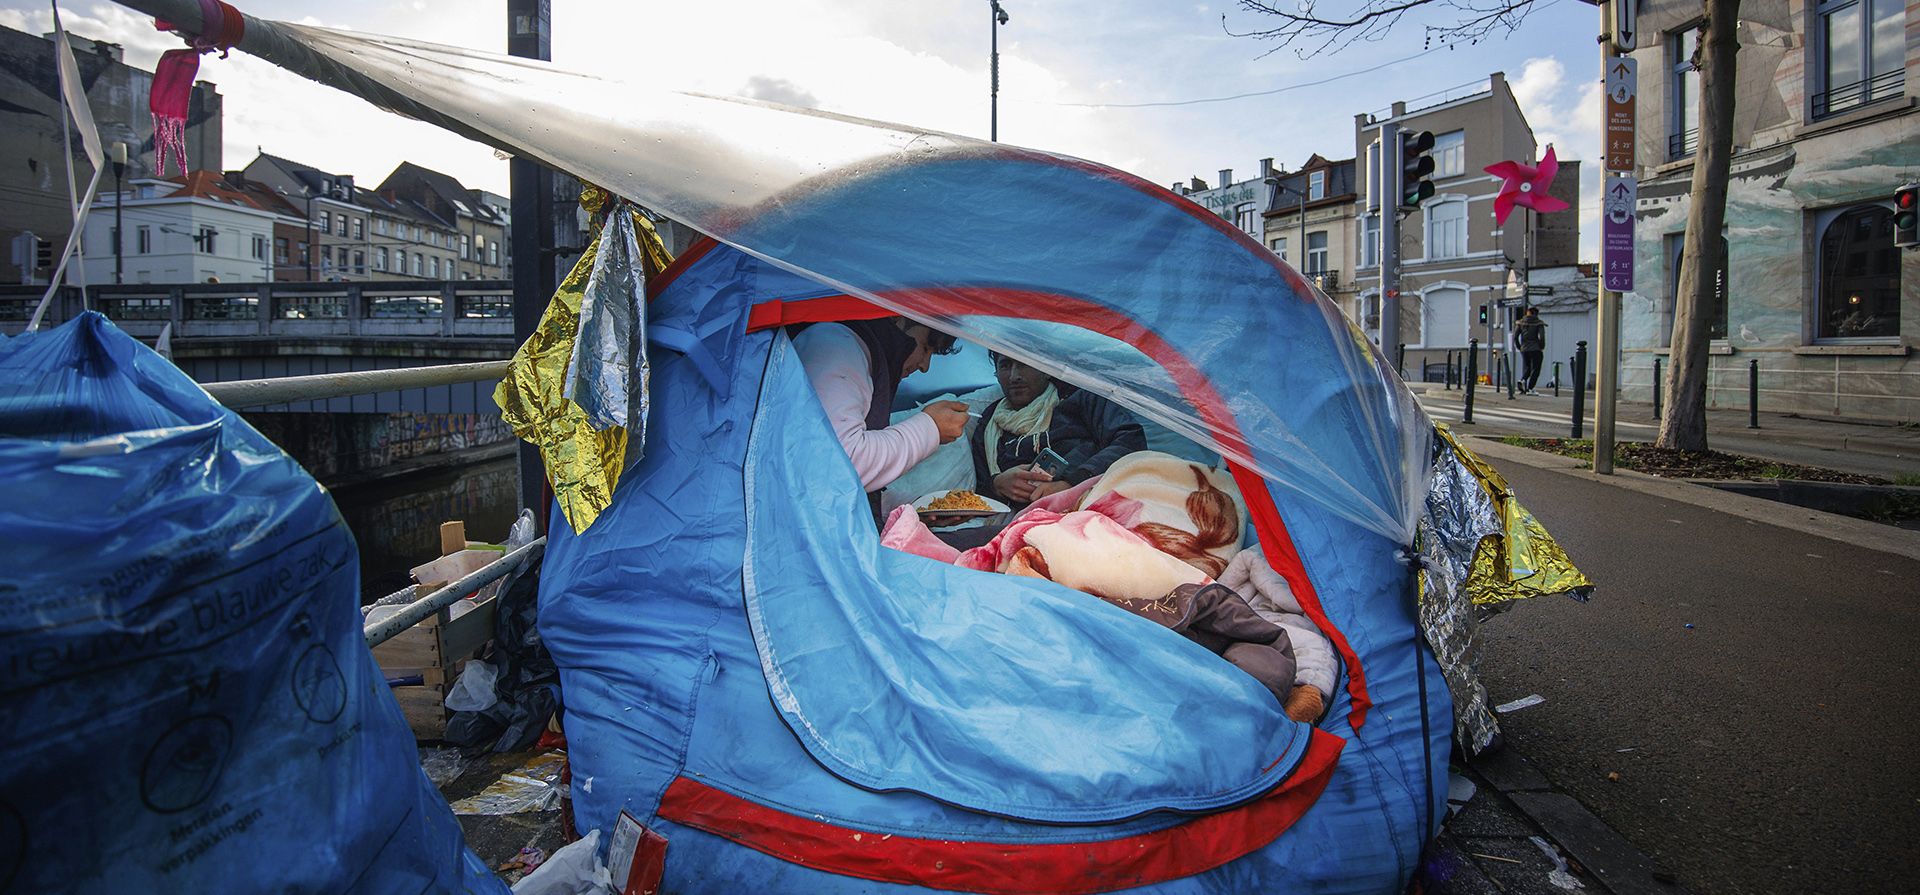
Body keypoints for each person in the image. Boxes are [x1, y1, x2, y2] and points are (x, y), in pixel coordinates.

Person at [792, 318, 971, 495]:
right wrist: (930, 427)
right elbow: (841, 464)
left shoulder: (867, 355)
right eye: (925, 347)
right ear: (898, 318)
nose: (925, 366)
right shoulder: (838, 349)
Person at [969, 353, 1147, 506]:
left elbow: (1130, 440)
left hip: (1094, 497)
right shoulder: (990, 423)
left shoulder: (1081, 397)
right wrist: (998, 485)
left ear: (1045, 369)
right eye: (1005, 366)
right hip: (1025, 516)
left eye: (1024, 364)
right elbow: (979, 492)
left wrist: (1072, 483)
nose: (1014, 376)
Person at [1514, 306, 1547, 394]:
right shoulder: (1538, 323)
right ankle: (1530, 388)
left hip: (1524, 349)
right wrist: (1541, 346)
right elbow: (1542, 336)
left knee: (1528, 367)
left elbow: (1515, 337)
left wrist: (1519, 347)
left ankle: (1522, 380)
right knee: (1536, 368)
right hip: (1535, 348)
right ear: (1535, 313)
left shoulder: (1521, 323)